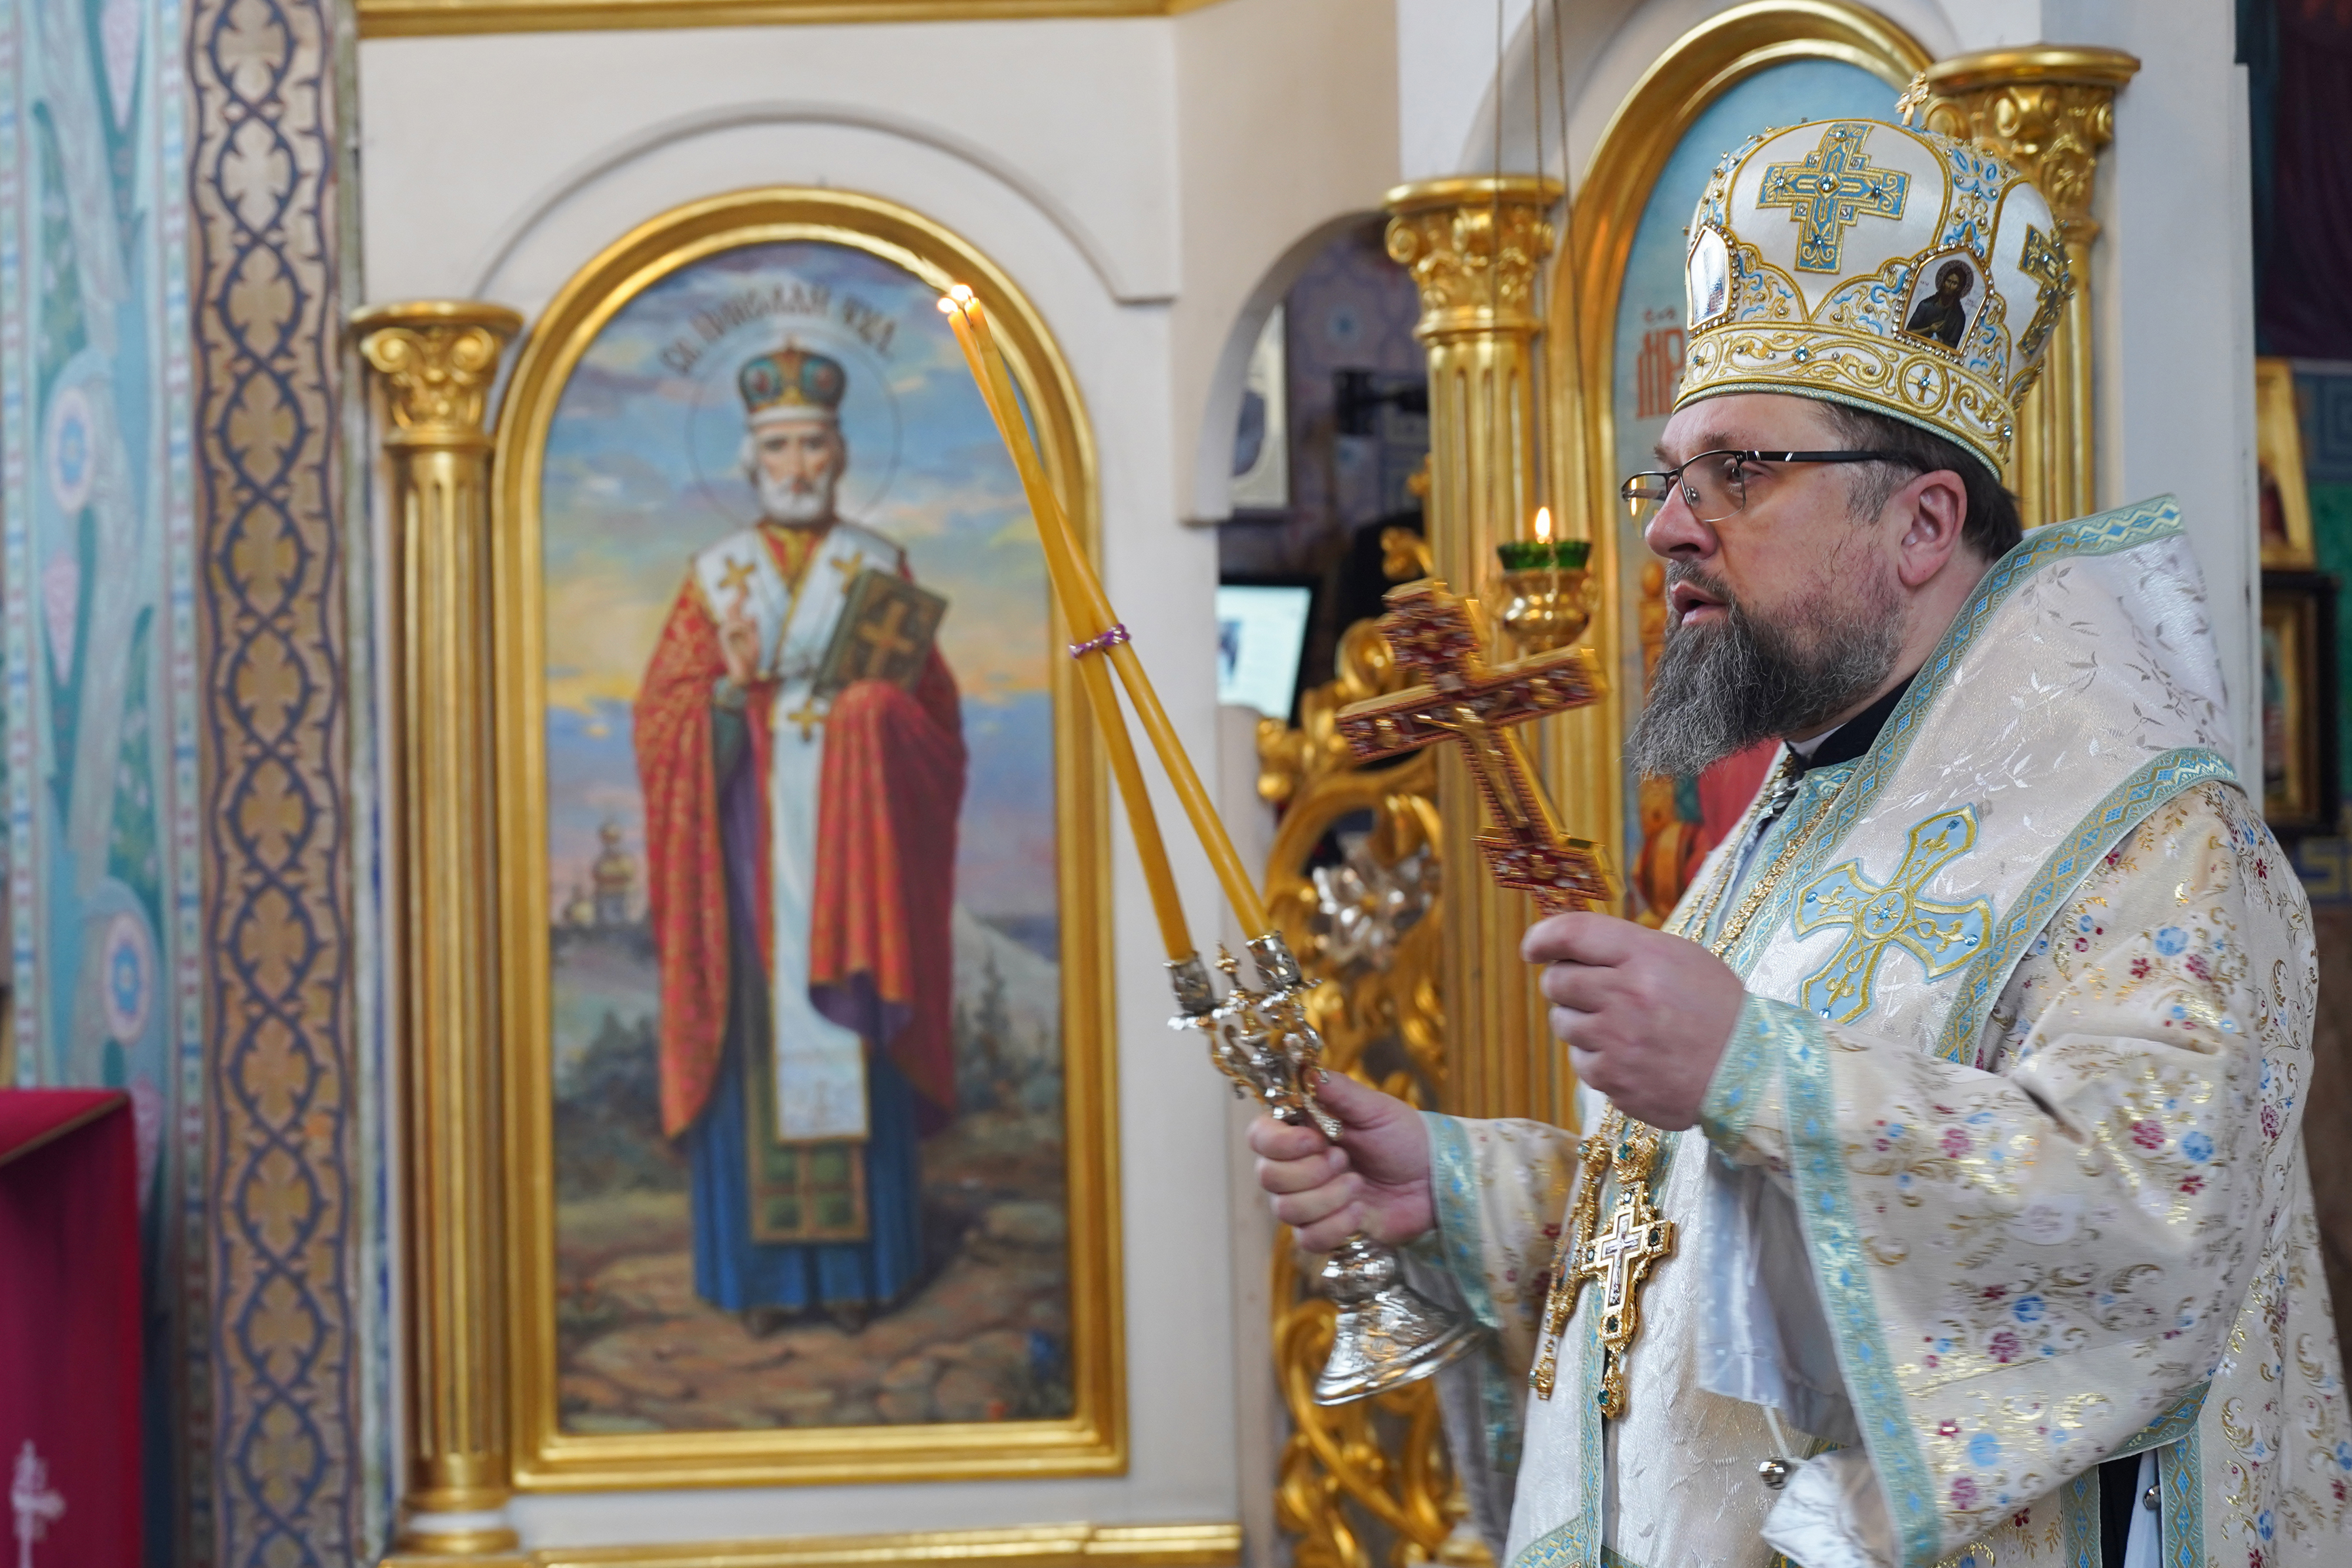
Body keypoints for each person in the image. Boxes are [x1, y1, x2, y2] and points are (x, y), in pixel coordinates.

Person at [1252, 116, 2350, 1567]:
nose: (1670, 529)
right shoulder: (1800, 811)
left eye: (1738, 472)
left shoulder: (2146, 838)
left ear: (1921, 522)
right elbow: (1712, 1248)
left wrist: (1754, 1071)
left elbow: (2155, 1228)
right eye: (1669, 476)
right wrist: (1462, 1195)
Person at [636, 343, 964, 1329]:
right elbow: (662, 722)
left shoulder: (879, 567)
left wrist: (874, 714)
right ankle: (762, 1283)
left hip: (858, 864)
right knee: (758, 1040)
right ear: (751, 458)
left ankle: (862, 1273)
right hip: (748, 858)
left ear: (840, 453)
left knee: (852, 1029)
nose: (796, 465)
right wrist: (729, 694)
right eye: (777, 446)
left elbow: (936, 727)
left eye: (813, 444)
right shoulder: (715, 579)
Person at [1904, 258, 1973, 348]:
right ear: (1943, 282)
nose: (1949, 286)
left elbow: (1953, 347)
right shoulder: (1925, 305)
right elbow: (1908, 332)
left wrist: (1941, 342)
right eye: (1948, 281)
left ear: (1959, 288)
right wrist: (1929, 329)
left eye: (1954, 283)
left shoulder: (1959, 317)